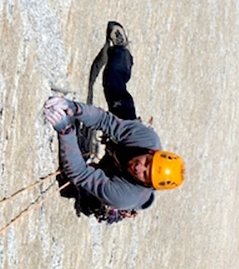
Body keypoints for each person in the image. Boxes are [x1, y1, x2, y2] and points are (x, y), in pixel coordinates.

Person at [44, 21, 185, 214]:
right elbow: (105, 121)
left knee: (81, 194)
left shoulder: (125, 195)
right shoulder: (147, 140)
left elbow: (80, 174)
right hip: (124, 147)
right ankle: (121, 51)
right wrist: (74, 108)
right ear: (152, 153)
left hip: (115, 181)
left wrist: (66, 131)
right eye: (147, 163)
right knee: (113, 83)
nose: (139, 168)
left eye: (145, 175)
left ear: (149, 185)